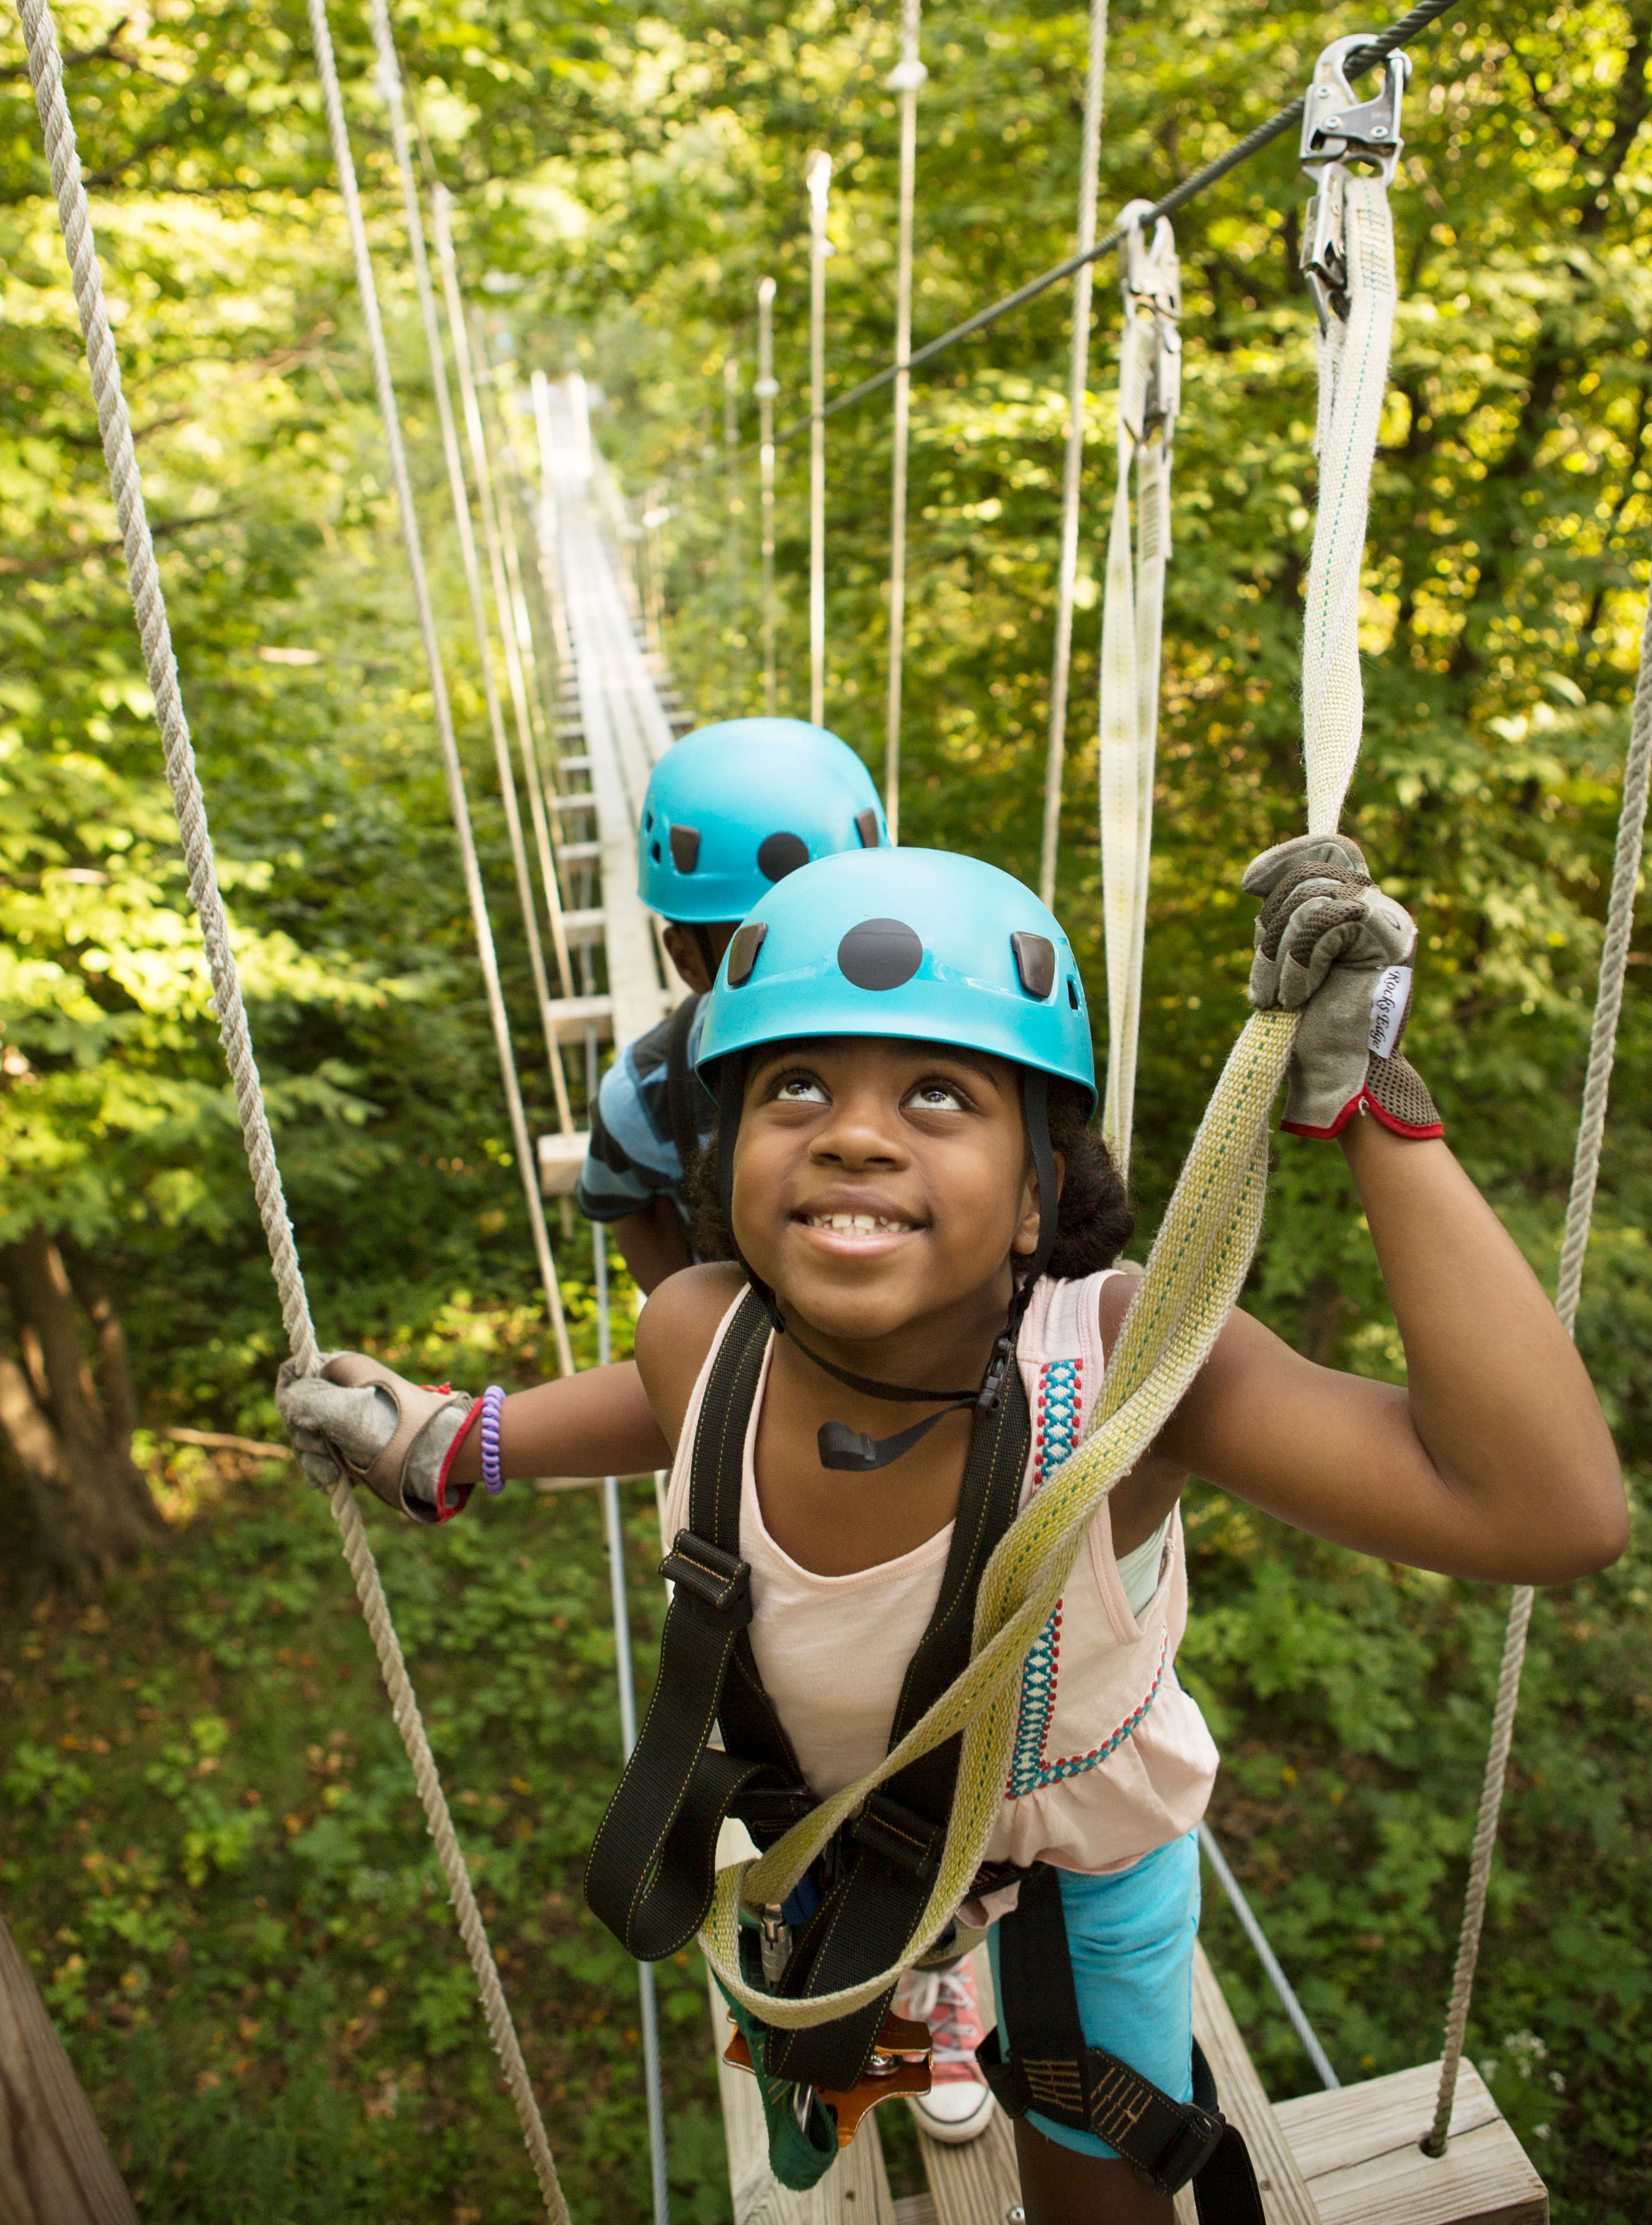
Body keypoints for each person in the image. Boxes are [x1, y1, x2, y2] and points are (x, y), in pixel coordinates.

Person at [280, 841, 1626, 2223]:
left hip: (1076, 1854)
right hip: (836, 1831)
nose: (855, 1135)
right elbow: (665, 1410)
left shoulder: (1130, 1367)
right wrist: (457, 1441)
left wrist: (1370, 1111)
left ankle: (935, 2024)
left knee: (1100, 2164)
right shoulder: (697, 1331)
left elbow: (1543, 1511)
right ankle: (870, 2025)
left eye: (938, 1093)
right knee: (822, 2035)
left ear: (1039, 1193)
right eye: (795, 1087)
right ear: (729, 1163)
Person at [574, 716, 888, 1294]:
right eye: (761, 946)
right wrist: (696, 1325)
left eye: (835, 927)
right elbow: (628, 1206)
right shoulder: (647, 1099)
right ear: (688, 961)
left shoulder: (946, 1046)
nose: (806, 969)